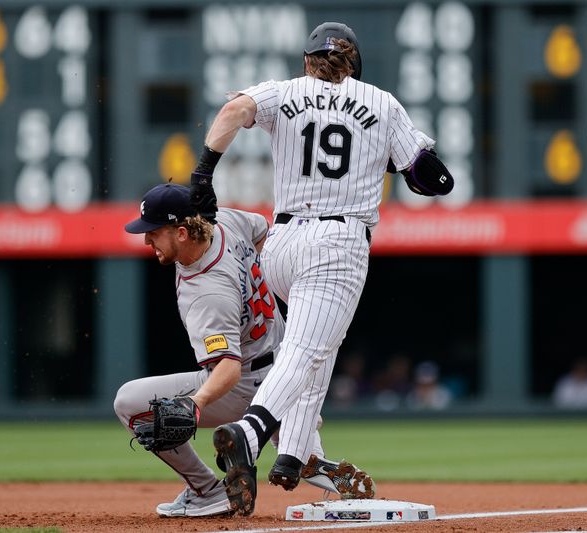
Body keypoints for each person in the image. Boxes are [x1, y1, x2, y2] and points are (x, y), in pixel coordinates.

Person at [187, 22, 454, 515]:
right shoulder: (380, 102)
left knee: (315, 343)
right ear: (353, 64)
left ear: (307, 60)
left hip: (282, 242)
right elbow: (426, 174)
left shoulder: (283, 92)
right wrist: (426, 171)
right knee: (308, 347)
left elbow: (233, 111)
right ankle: (251, 433)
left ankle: (295, 454)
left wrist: (203, 172)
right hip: (338, 240)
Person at [113, 183, 375, 518]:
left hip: (245, 384)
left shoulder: (205, 293)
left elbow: (227, 368)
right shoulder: (223, 222)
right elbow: (265, 231)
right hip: (287, 368)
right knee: (292, 445)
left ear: (181, 232)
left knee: (129, 403)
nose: (147, 240)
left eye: (153, 232)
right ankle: (297, 444)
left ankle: (207, 491)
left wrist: (195, 404)